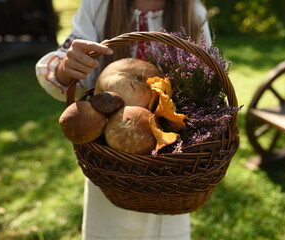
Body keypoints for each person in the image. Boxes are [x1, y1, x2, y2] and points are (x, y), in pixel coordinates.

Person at [36, 0, 212, 239]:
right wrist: (67, 67)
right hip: (111, 167)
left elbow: (207, 80)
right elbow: (66, 58)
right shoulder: (98, 6)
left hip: (170, 173)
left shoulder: (192, 11)